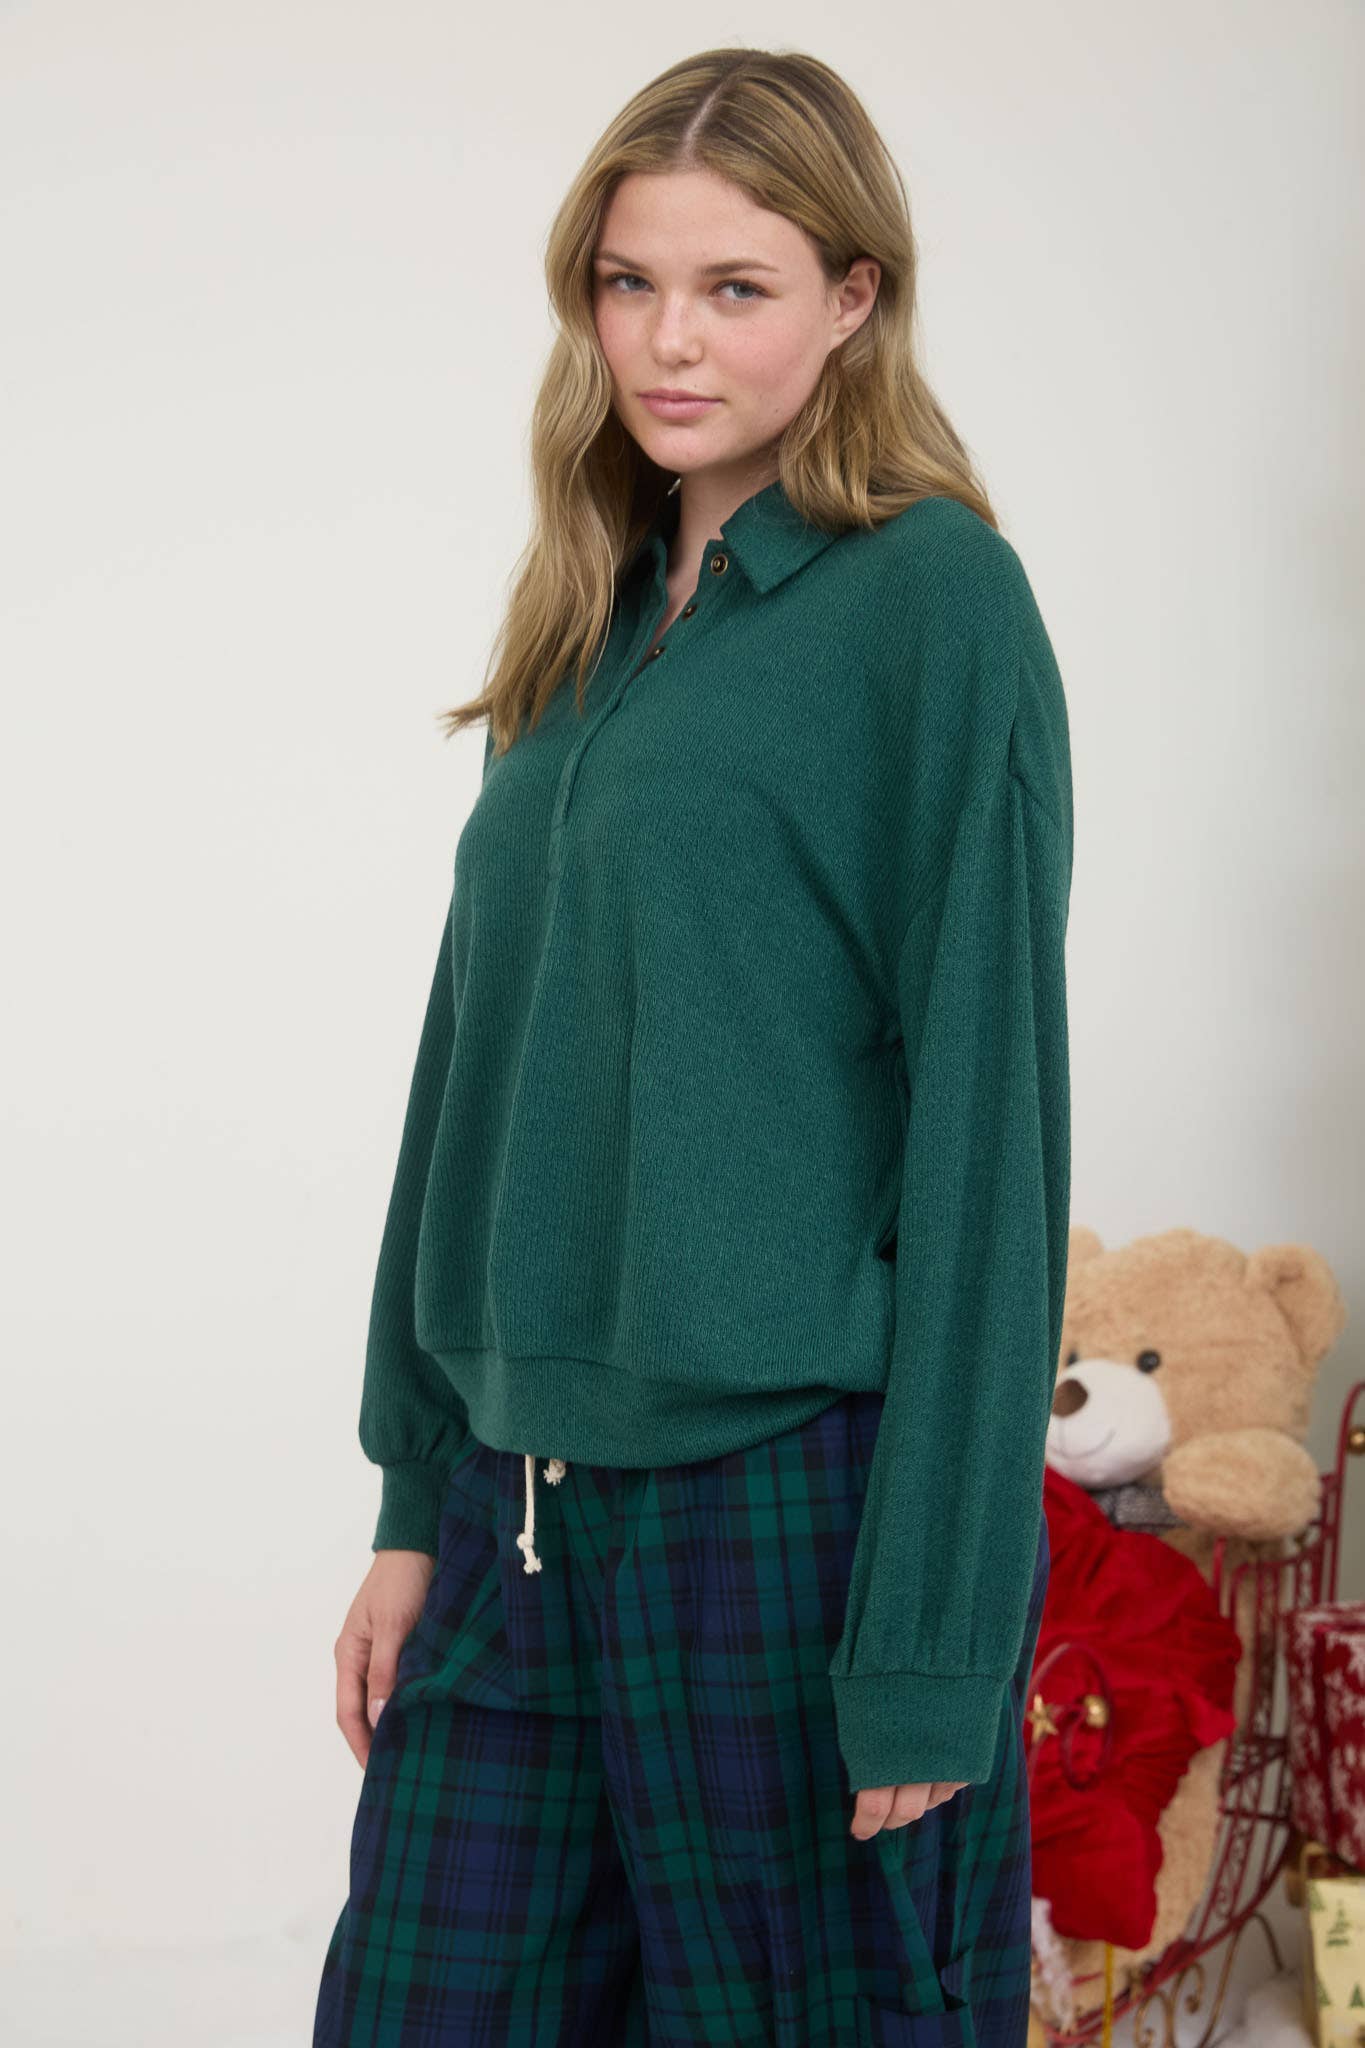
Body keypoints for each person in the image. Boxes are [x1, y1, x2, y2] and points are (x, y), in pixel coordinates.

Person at [313, 43, 1072, 2048]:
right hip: (510, 1512)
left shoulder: (932, 602)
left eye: (735, 287)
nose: (667, 340)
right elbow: (469, 1069)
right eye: (627, 281)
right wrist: (411, 1496)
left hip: (780, 1513)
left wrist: (932, 1642)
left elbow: (988, 1140)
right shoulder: (581, 607)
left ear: (852, 296)